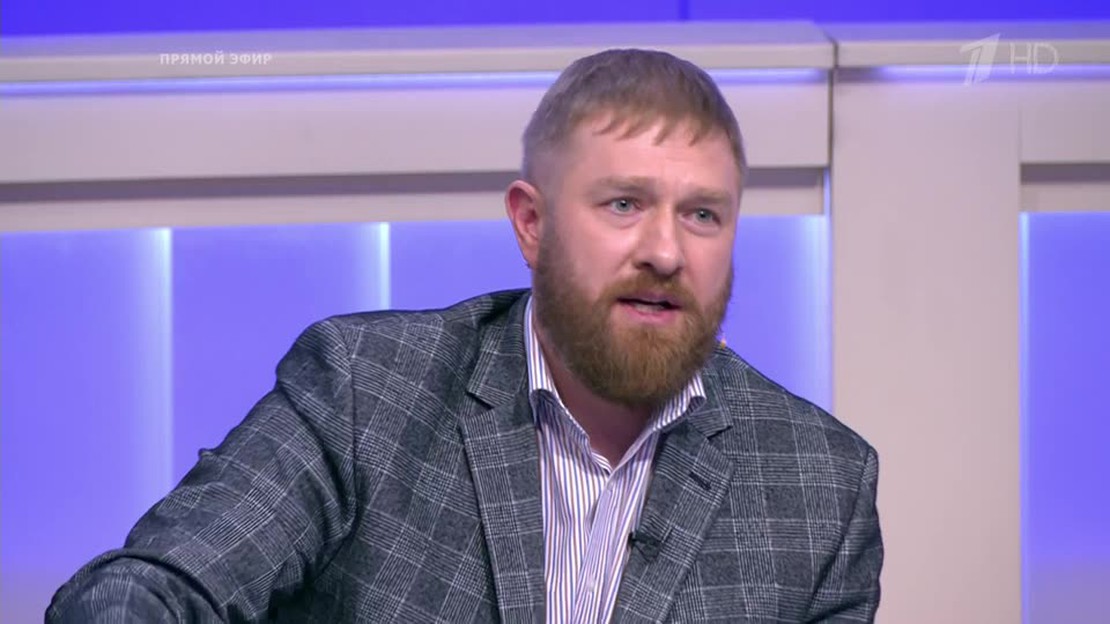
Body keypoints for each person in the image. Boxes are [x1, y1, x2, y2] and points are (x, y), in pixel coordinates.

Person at [48, 48, 882, 623]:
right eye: (624, 204)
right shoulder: (364, 392)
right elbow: (144, 594)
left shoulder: (822, 486)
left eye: (702, 215)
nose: (666, 251)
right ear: (531, 223)